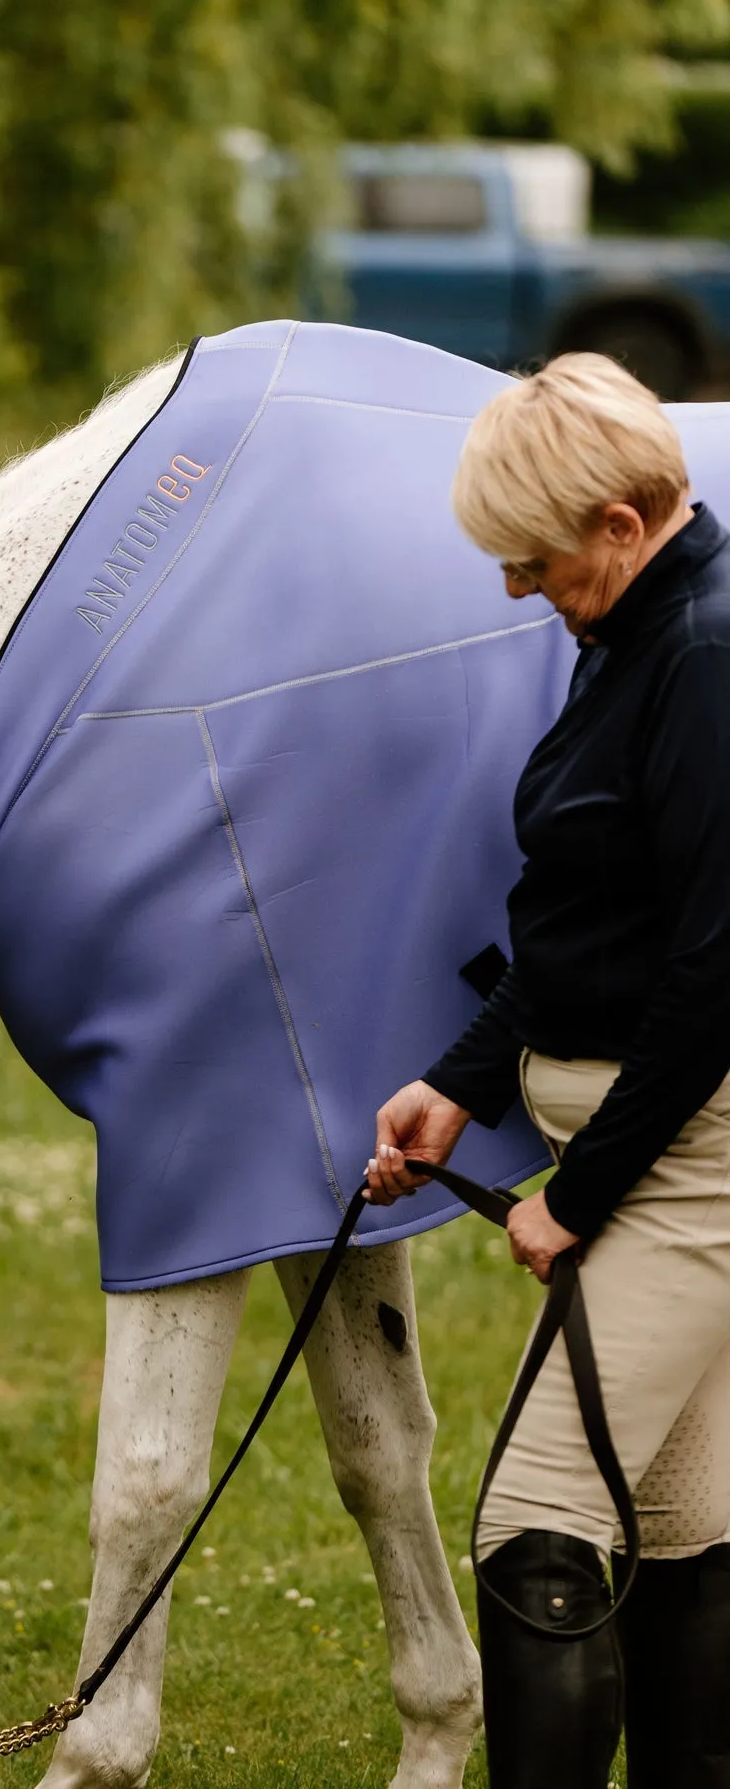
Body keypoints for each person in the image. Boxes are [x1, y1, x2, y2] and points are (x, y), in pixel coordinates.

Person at [366, 353, 730, 1789]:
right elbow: (598, 915)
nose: (520, 588)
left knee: (537, 1526)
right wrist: (461, 1076)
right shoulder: (642, 636)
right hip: (666, 1151)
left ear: (623, 530)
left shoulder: (703, 660)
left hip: (686, 1163)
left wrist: (577, 1193)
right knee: (685, 1523)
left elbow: (718, 972)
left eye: (535, 559)